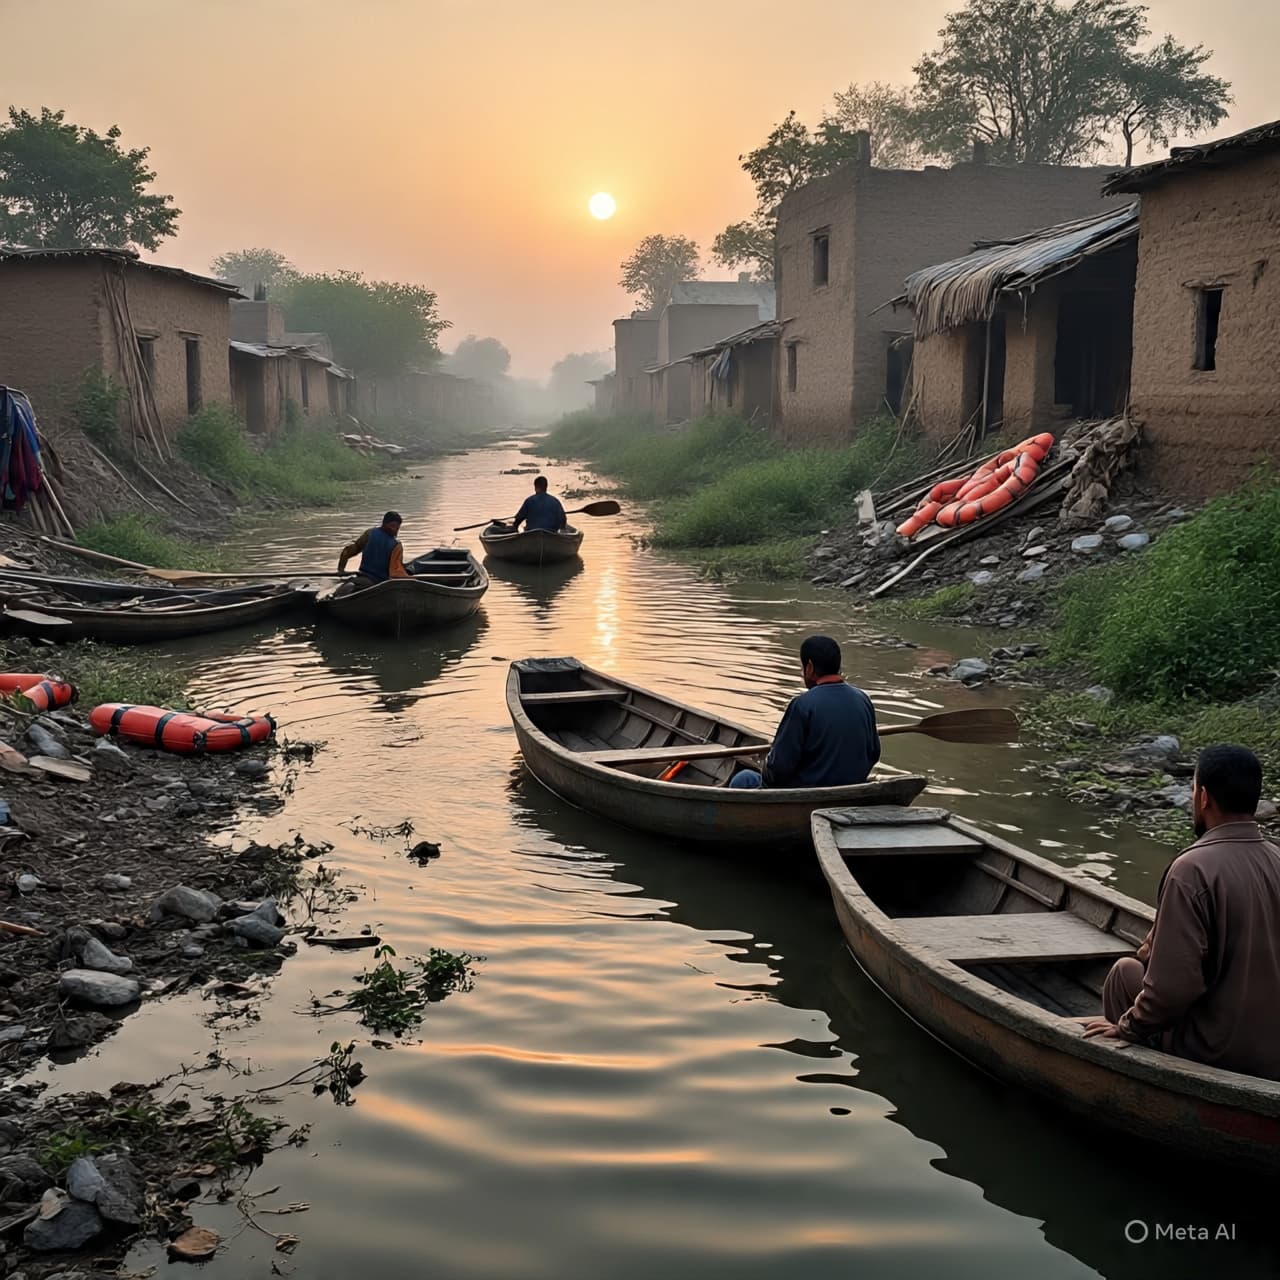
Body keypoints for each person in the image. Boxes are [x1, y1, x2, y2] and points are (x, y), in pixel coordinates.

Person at [1083, 744, 1280, 1080]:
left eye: (1192, 790)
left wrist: (1128, 1026)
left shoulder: (1191, 869)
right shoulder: (1277, 858)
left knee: (1123, 973)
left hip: (1216, 1054)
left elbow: (1173, 991)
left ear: (1203, 797)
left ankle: (1138, 1080)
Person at [729, 635, 880, 790]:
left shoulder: (802, 705)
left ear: (809, 667)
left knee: (745, 778)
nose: (802, 673)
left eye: (802, 668)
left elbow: (778, 770)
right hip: (852, 790)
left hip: (807, 794)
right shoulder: (863, 699)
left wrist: (766, 769)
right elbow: (874, 753)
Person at [337, 511, 411, 585]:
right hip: (380, 583)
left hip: (363, 577)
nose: (395, 530)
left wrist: (341, 570)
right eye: (393, 526)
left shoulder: (369, 533)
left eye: (397, 528)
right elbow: (395, 572)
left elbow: (347, 552)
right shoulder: (396, 545)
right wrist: (411, 579)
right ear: (384, 524)